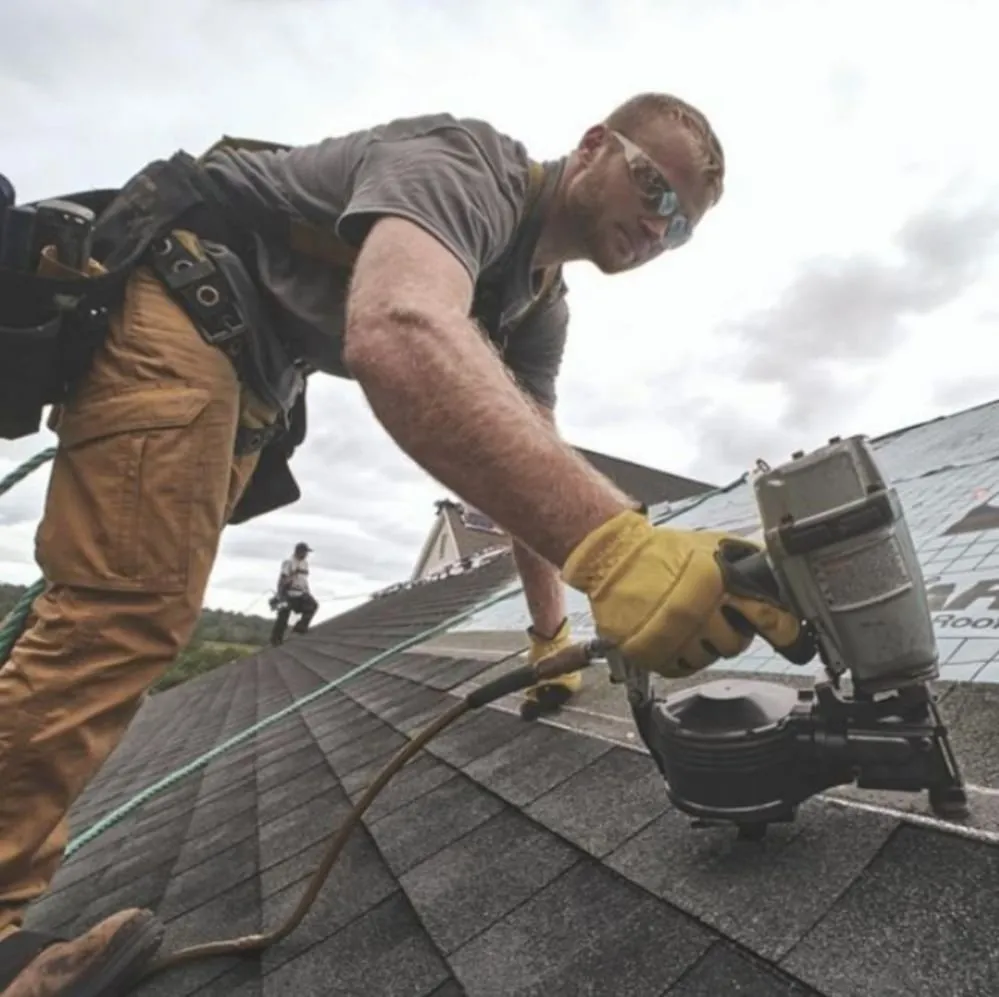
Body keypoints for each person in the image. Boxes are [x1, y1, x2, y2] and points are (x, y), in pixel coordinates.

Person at [0, 92, 814, 994]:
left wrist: (549, 638)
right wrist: (618, 551)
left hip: (250, 366)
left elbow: (523, 454)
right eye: (655, 191)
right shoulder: (463, 164)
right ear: (592, 146)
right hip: (183, 294)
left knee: (134, 613)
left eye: (682, 229)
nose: (659, 230)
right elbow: (397, 327)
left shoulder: (537, 306)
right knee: (122, 612)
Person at [269, 542, 319, 644]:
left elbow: (304, 579)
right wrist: (281, 594)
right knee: (283, 617)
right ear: (299, 552)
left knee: (313, 606)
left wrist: (307, 591)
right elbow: (283, 580)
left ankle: (299, 628)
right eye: (305, 552)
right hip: (288, 593)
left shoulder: (305, 563)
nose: (306, 555)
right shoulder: (289, 562)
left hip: (301, 593)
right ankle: (276, 640)